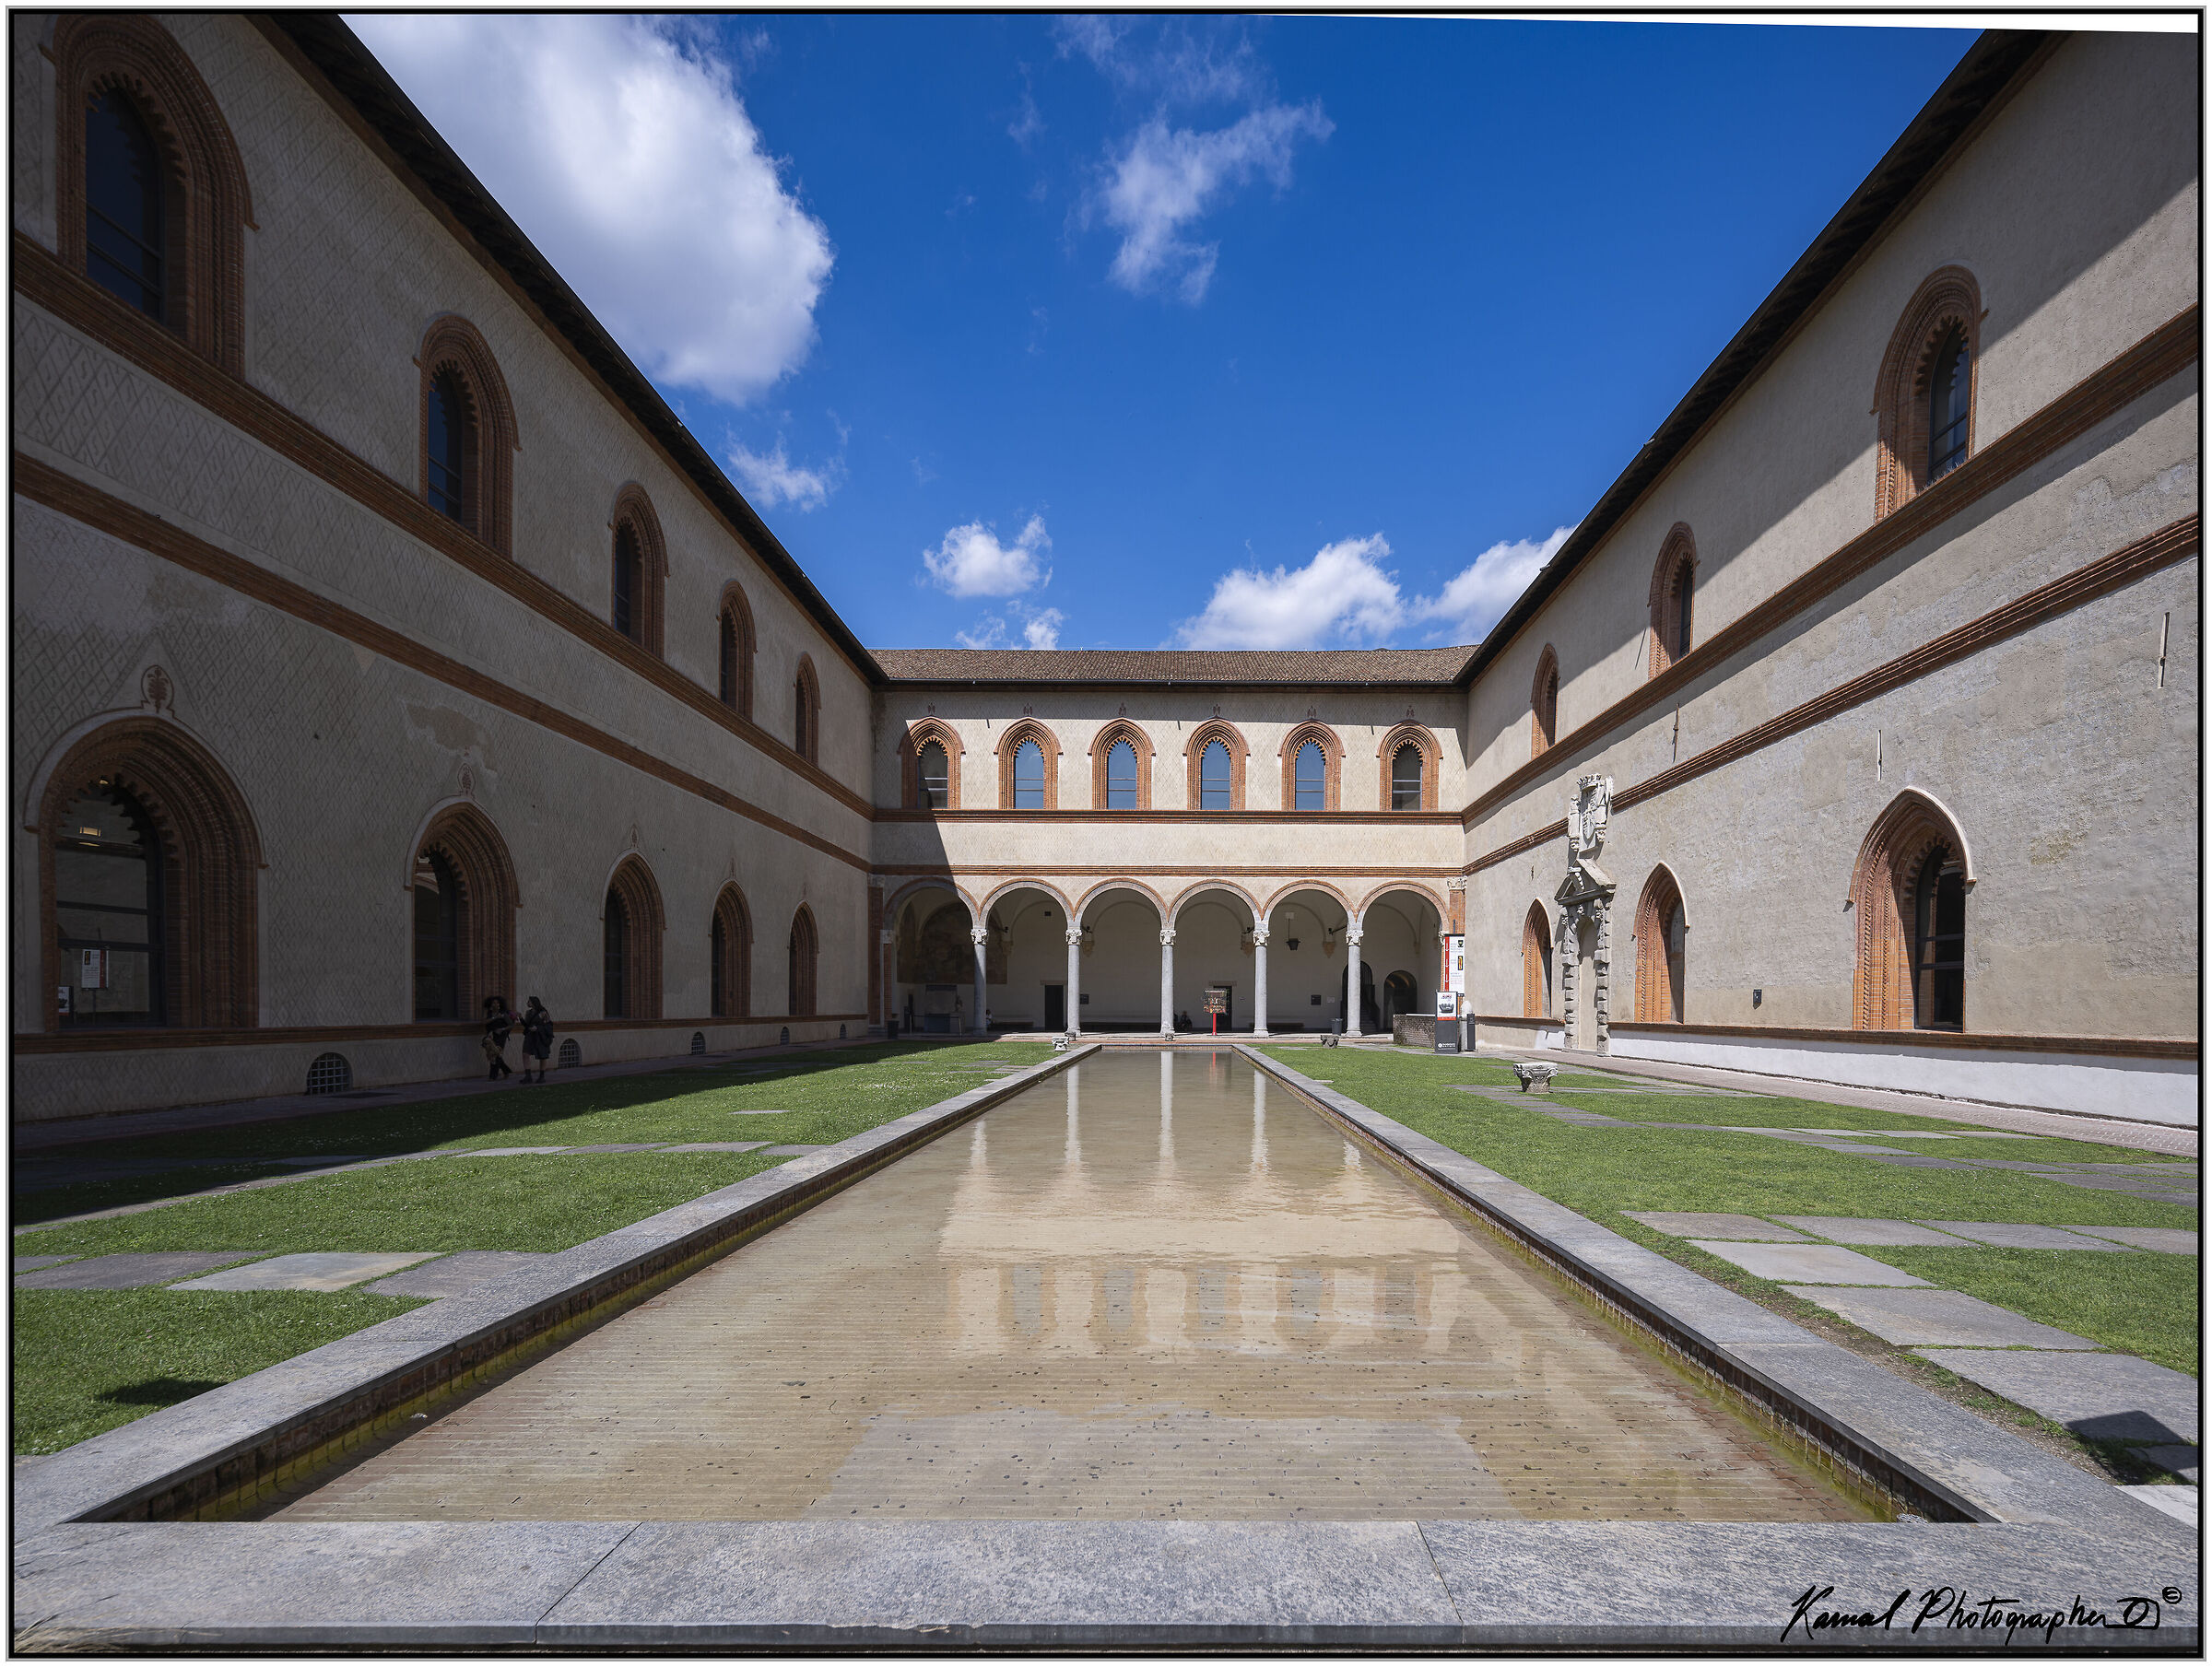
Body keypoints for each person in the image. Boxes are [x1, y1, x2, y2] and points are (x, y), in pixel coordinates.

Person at [481, 993, 514, 1081]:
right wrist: (495, 1017)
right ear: (491, 1004)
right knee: (497, 1055)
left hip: (501, 1037)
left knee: (494, 1055)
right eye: (494, 1003)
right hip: (490, 1036)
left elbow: (511, 1025)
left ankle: (493, 1076)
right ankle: (506, 1070)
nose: (496, 1005)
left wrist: (502, 1029)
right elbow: (484, 1022)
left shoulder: (503, 1014)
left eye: (498, 1003)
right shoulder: (490, 1013)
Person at [521, 996, 553, 1085]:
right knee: (525, 1054)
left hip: (540, 1036)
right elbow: (526, 1025)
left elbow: (549, 1025)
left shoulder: (543, 1013)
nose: (528, 1003)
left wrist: (537, 1028)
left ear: (534, 1002)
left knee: (542, 1055)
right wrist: (520, 1018)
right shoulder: (528, 1013)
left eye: (529, 1001)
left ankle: (542, 1076)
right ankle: (528, 1076)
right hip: (530, 1036)